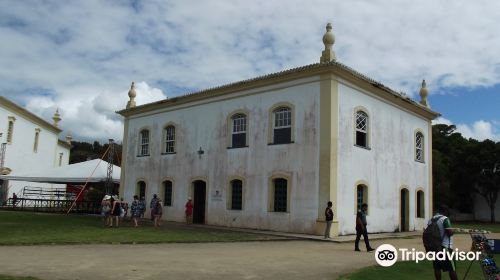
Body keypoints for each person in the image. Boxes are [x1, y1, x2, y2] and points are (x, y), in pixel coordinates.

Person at [431, 205, 457, 280]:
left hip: (435, 247)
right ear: (445, 211)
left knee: (437, 267)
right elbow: (449, 232)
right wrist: (453, 231)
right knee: (452, 268)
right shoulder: (445, 219)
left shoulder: (432, 219)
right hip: (445, 247)